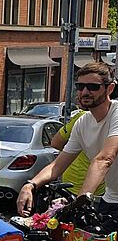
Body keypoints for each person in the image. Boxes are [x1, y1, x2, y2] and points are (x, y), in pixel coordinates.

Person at [17, 62, 118, 223]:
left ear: (109, 89)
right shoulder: (82, 122)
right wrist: (30, 185)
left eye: (93, 87)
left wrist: (79, 203)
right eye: (80, 86)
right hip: (111, 199)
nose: (85, 92)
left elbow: (104, 159)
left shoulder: (116, 114)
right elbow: (57, 166)